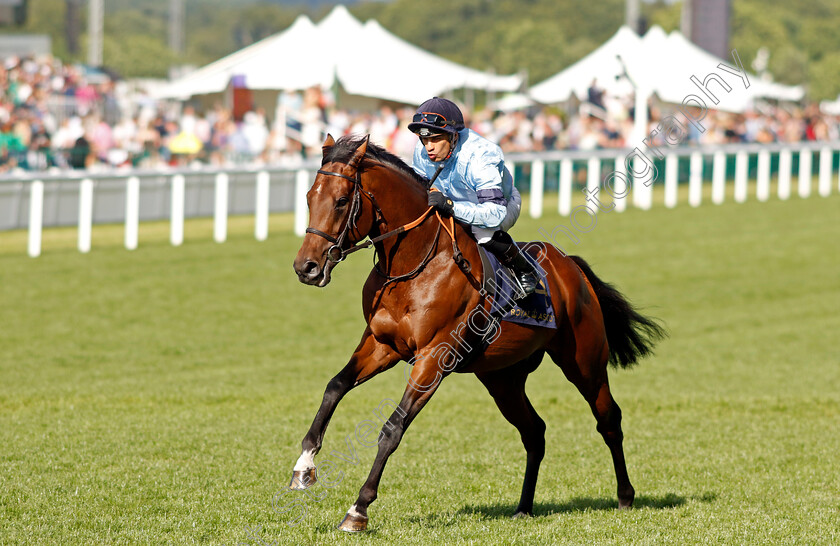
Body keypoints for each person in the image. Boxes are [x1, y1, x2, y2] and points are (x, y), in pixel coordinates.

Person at [408, 97, 539, 296]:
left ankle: (525, 270)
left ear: (453, 136)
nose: (429, 147)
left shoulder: (482, 155)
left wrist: (451, 206)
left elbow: (494, 214)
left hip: (500, 206)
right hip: (454, 201)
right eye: (424, 139)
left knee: (481, 232)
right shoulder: (423, 151)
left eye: (435, 139)